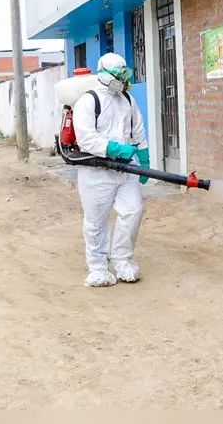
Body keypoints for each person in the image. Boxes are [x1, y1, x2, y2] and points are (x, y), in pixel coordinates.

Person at [72, 53, 151, 287]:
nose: (122, 79)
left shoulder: (127, 99)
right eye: (118, 75)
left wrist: (144, 160)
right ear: (104, 74)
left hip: (125, 170)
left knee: (133, 209)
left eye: (124, 74)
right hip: (96, 171)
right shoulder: (88, 101)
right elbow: (86, 138)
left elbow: (138, 130)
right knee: (96, 220)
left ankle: (123, 260)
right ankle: (97, 267)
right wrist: (114, 148)